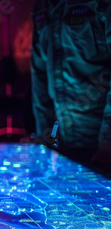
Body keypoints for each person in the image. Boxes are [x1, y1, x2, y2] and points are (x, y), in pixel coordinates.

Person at [31, 0, 111, 171]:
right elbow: (39, 76)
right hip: (65, 149)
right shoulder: (43, 6)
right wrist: (44, 141)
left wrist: (107, 143)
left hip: (103, 151)